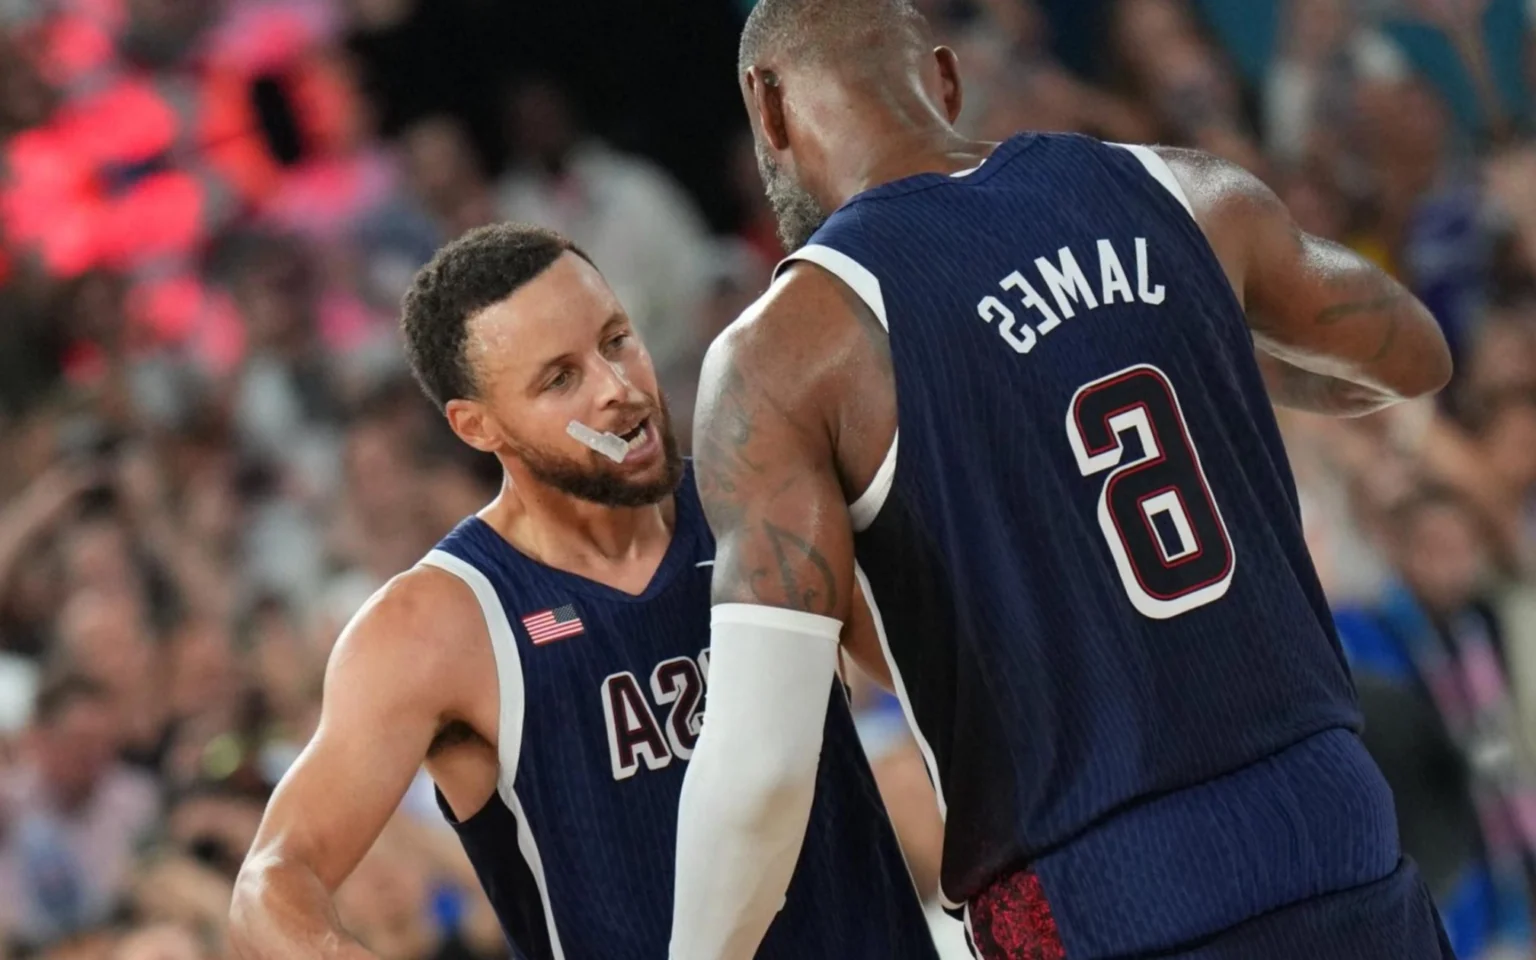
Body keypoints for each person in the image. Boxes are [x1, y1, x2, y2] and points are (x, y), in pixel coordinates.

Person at [668, 1, 1457, 958]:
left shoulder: (787, 348)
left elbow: (760, 769)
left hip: (1099, 897)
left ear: (768, 106)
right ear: (947, 81)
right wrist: (1199, 340)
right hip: (1336, 833)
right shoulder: (1179, 189)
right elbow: (1414, 356)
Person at [227, 222, 940, 960]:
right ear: (478, 427)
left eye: (616, 339)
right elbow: (270, 883)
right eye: (560, 378)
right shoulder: (437, 625)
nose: (618, 389)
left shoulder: (766, 504)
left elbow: (958, 690)